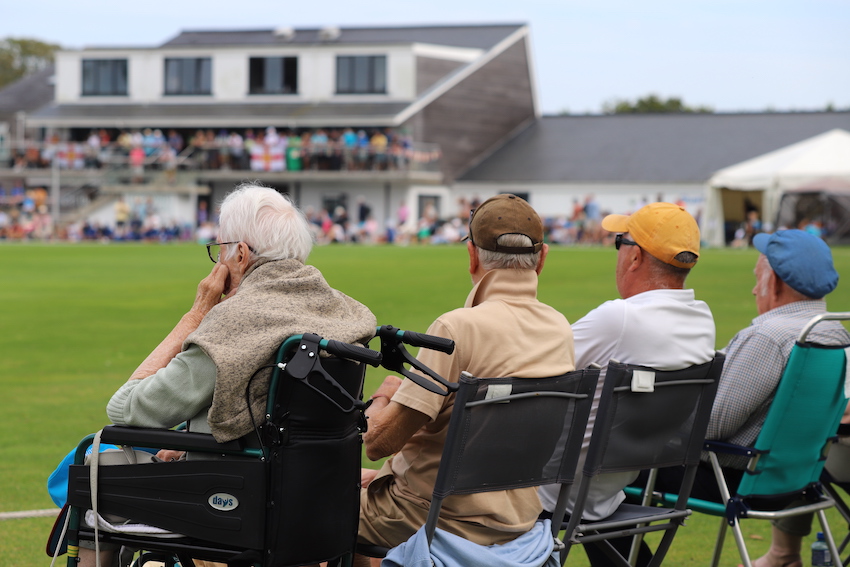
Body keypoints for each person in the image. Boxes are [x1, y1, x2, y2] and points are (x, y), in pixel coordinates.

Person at [80, 183, 376, 567]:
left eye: (218, 249)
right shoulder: (347, 313)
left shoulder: (234, 322)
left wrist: (197, 312)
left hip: (232, 502)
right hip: (315, 499)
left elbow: (126, 408)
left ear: (240, 253)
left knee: (96, 465)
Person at [356, 194, 575, 564]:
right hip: (516, 519)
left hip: (435, 518)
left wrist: (385, 396)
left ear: (472, 256)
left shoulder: (456, 328)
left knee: (309, 501)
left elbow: (378, 442)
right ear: (542, 259)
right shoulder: (560, 329)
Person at [537, 201, 716, 566]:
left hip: (552, 489)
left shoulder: (619, 318)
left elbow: (531, 372)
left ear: (635, 257)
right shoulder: (703, 320)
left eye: (620, 242)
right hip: (609, 485)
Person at [696, 229, 847, 567]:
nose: (753, 288)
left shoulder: (768, 337)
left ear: (774, 282)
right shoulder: (835, 332)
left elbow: (711, 427)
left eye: (757, 278)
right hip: (798, 478)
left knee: (611, 469)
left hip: (736, 478)